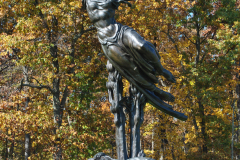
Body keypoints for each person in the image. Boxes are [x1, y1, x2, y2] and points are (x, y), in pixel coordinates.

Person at [83, 0, 175, 102]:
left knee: (142, 45)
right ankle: (159, 92)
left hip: (119, 30)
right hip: (106, 41)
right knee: (133, 70)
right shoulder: (88, 2)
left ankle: (161, 70)